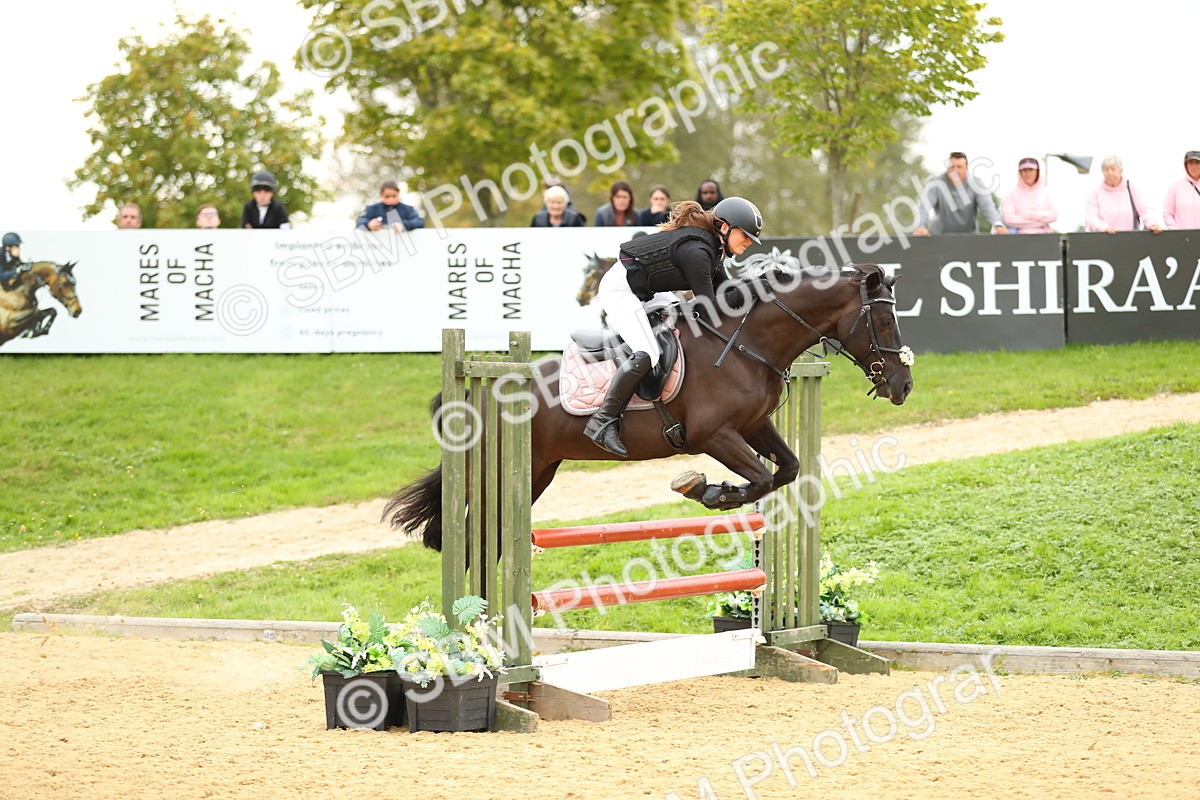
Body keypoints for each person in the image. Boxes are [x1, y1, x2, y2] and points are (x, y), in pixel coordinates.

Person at [585, 197, 762, 457]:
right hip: (620, 290)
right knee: (649, 352)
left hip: (650, 290)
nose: (748, 242)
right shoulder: (698, 252)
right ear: (724, 227)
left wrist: (757, 288)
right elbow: (709, 309)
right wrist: (752, 290)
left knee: (682, 327)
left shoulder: (712, 250)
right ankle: (603, 419)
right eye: (744, 235)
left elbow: (727, 292)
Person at [914, 152, 1008, 235]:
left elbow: (987, 206)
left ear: (966, 168)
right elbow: (924, 207)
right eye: (951, 167)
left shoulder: (976, 183)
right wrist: (920, 226)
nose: (955, 170)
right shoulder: (935, 183)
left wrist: (998, 225)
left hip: (969, 238)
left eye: (959, 167)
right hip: (940, 237)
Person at [1083, 156, 1162, 233]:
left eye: (1113, 169)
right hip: (1104, 239)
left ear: (1121, 171)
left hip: (1130, 239)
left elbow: (1145, 209)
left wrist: (1151, 223)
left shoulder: (1131, 188)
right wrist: (1105, 228)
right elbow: (1090, 218)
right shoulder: (1095, 194)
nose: (1109, 173)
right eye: (1106, 170)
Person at [1001, 157, 1058, 233]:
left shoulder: (1046, 193)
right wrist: (1040, 221)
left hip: (1045, 238)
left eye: (1031, 170)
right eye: (1024, 170)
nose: (1028, 173)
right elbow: (1008, 219)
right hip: (1019, 238)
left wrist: (1026, 215)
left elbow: (1054, 215)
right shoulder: (1010, 194)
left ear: (1037, 172)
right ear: (1019, 172)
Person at [356, 180, 425, 231]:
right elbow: (359, 221)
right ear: (381, 196)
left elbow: (419, 222)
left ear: (398, 194)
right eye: (387, 196)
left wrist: (404, 225)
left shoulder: (408, 209)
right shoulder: (372, 209)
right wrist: (369, 224)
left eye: (394, 196)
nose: (391, 199)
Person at [1162, 150, 1200, 230]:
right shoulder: (1175, 187)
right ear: (1186, 165)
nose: (1194, 166)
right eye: (1191, 163)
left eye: (1197, 163)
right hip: (1182, 239)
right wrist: (1176, 231)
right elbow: (1167, 213)